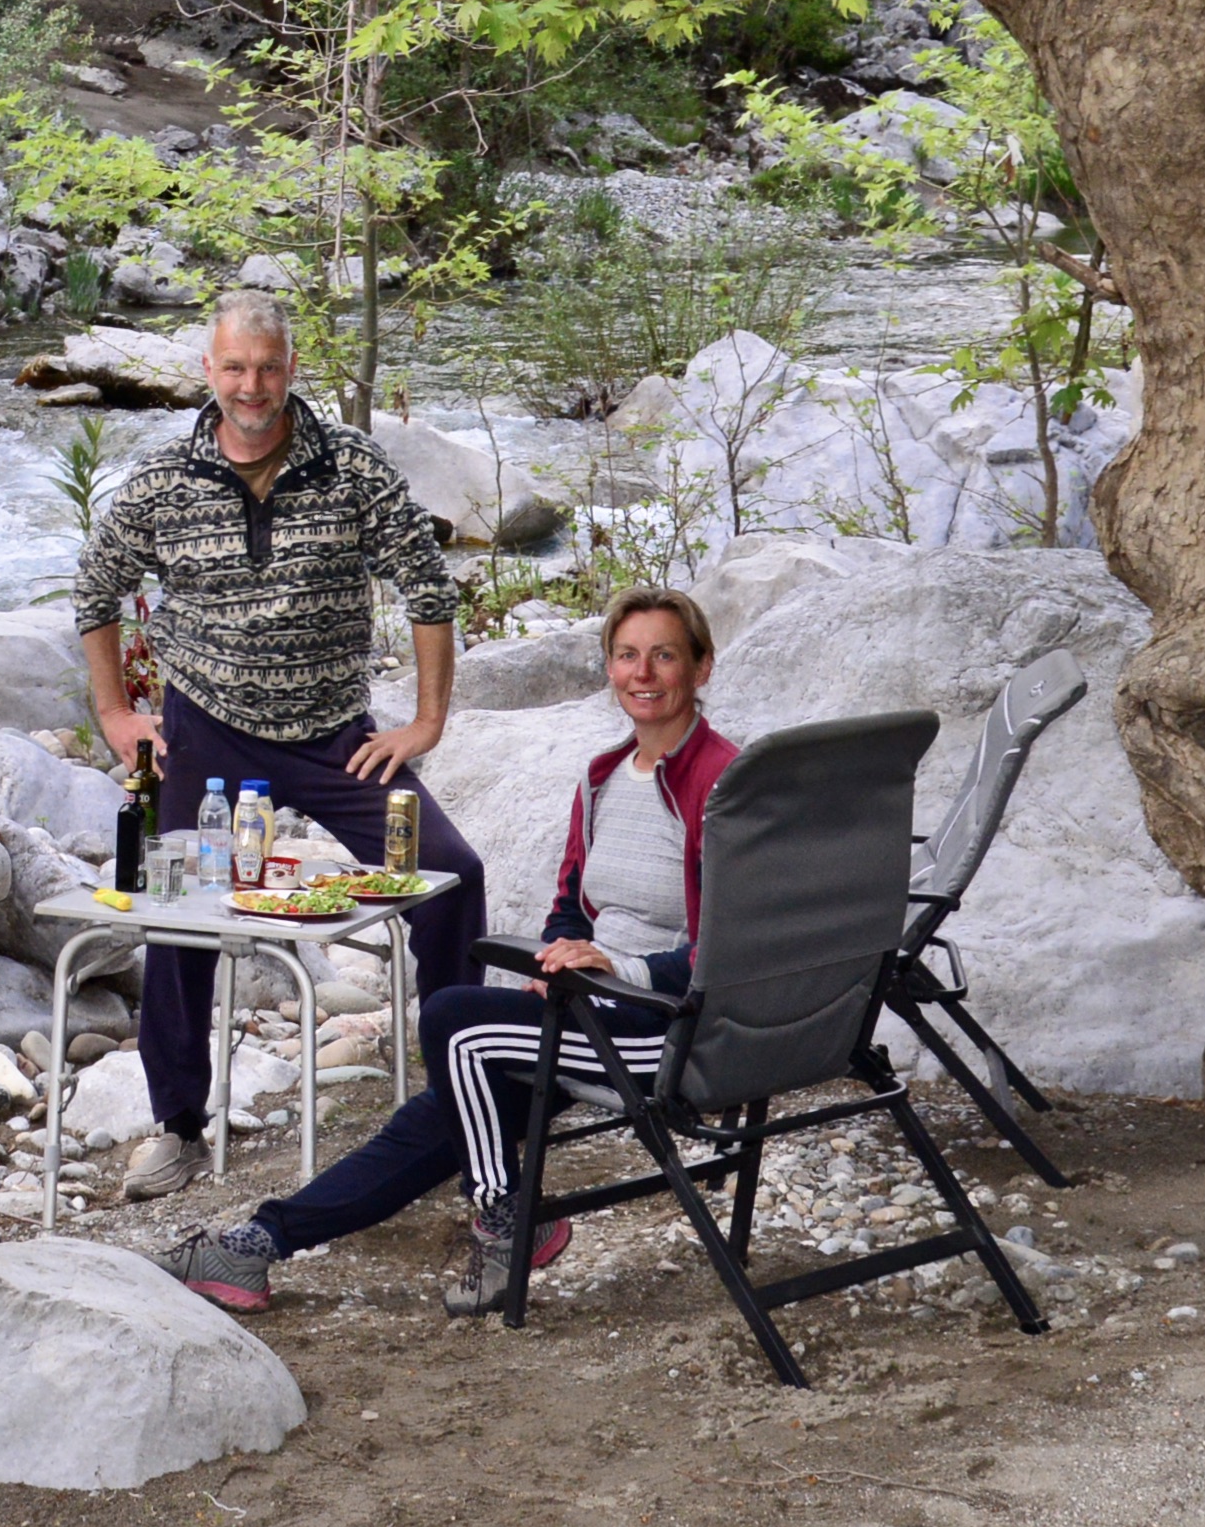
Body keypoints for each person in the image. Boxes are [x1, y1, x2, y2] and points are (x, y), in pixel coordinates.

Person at [149, 586, 739, 1317]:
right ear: (609, 667)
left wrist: (621, 967)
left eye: (664, 656)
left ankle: (503, 1213)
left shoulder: (724, 784)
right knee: (441, 1113)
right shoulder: (601, 778)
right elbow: (569, 907)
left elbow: (735, 946)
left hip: (668, 1025)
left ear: (701, 668)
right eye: (626, 655)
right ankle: (256, 1244)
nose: (642, 673)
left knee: (455, 1021)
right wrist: (556, 958)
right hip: (593, 1009)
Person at [72, 287, 483, 1197]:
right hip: (204, 733)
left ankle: (466, 1102)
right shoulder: (163, 481)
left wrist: (425, 723)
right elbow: (95, 589)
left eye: (266, 368)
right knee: (177, 915)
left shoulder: (353, 466)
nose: (251, 386)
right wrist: (115, 714)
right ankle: (179, 1123)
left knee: (452, 876)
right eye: (234, 368)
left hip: (336, 739)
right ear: (208, 371)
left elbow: (427, 588)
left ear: (292, 369)